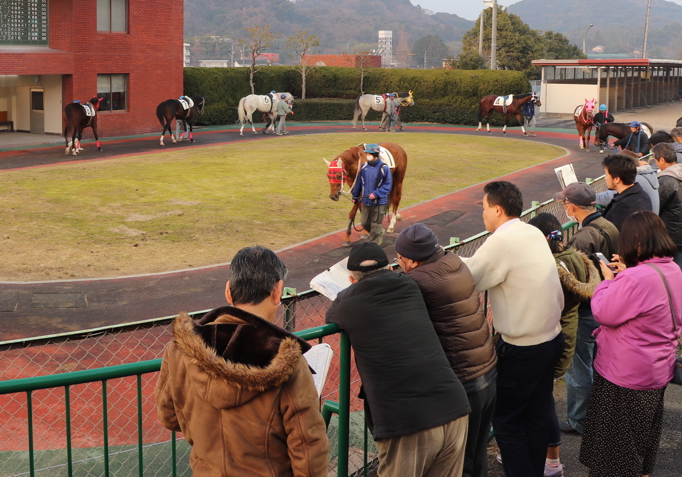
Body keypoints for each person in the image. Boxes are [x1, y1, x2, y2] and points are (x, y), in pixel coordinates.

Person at [156, 246, 329, 476]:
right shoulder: (287, 360)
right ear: (277, 291)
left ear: (229, 291)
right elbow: (308, 449)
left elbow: (169, 416)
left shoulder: (179, 349)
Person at [327, 242, 470, 477]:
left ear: (352, 280)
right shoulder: (409, 284)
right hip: (453, 406)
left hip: (407, 421)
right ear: (391, 269)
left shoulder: (347, 302)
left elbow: (331, 316)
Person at [461, 181, 564, 477]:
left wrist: (438, 260)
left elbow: (470, 277)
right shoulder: (531, 230)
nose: (482, 214)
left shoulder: (502, 241)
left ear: (496, 209)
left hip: (524, 348)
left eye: (483, 208)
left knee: (508, 421)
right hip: (550, 339)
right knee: (535, 415)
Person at [579, 211, 682, 477]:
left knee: (616, 451)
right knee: (641, 439)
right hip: (656, 368)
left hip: (625, 374)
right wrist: (626, 275)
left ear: (636, 242)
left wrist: (609, 281)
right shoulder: (670, 268)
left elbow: (603, 312)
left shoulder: (635, 278)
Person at [394, 224, 496, 477]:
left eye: (400, 260)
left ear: (412, 261)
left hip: (464, 380)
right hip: (487, 370)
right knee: (476, 453)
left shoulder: (417, 280)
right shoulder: (454, 261)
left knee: (461, 461)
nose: (399, 265)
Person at [527, 212, 598, 477]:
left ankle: (551, 460)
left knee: (541, 403)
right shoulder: (572, 259)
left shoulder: (554, 269)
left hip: (554, 341)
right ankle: (548, 457)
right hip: (564, 337)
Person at [550, 183, 615, 438]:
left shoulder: (583, 237)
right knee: (596, 362)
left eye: (565, 203)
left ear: (572, 206)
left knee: (579, 367)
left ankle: (579, 419)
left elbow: (572, 277)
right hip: (604, 303)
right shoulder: (607, 224)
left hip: (586, 309)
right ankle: (592, 413)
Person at [654, 142, 682, 270]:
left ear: (662, 159)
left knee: (665, 271)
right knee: (678, 270)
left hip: (668, 236)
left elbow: (656, 208)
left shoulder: (665, 181)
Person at [351, 144, 392, 245]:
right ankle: (378, 233)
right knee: (364, 223)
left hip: (379, 203)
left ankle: (374, 246)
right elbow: (359, 183)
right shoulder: (364, 166)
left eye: (368, 153)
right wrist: (355, 196)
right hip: (365, 201)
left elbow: (387, 185)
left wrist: (376, 194)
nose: (367, 155)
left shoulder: (384, 168)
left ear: (375, 154)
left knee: (375, 225)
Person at [600, 154, 653, 231]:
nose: (605, 178)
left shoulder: (623, 205)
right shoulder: (643, 194)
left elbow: (618, 236)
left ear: (617, 179)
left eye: (606, 174)